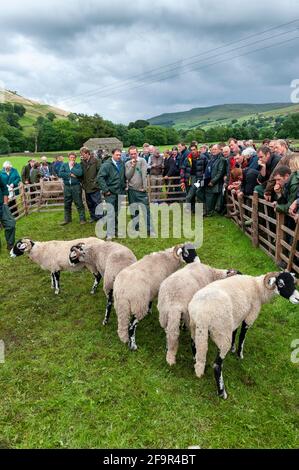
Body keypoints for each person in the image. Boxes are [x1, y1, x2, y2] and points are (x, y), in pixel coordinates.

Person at [125, 145, 155, 236]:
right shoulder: (127, 163)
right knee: (134, 210)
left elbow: (144, 175)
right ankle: (136, 228)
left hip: (141, 191)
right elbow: (127, 176)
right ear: (129, 154)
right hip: (131, 190)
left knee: (145, 210)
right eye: (131, 154)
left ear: (137, 153)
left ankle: (150, 230)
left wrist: (144, 188)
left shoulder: (142, 161)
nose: (133, 155)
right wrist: (132, 166)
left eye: (134, 153)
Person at [97, 148, 126, 240]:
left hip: (120, 192)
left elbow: (123, 176)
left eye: (120, 155)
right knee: (110, 213)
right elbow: (100, 178)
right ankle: (110, 233)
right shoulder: (106, 165)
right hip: (110, 193)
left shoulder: (121, 163)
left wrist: (124, 186)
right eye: (117, 155)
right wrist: (106, 190)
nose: (118, 156)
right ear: (112, 154)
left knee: (118, 212)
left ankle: (116, 230)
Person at [59, 152, 86, 226]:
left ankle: (82, 219)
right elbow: (60, 174)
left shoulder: (78, 165)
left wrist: (72, 168)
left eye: (74, 157)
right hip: (67, 186)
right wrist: (70, 174)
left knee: (79, 203)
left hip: (76, 186)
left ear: (75, 158)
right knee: (67, 203)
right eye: (71, 157)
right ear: (68, 158)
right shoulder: (64, 165)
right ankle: (67, 219)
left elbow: (80, 173)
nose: (72, 159)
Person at [80, 147, 102, 223]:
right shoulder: (82, 162)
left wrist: (95, 181)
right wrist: (82, 182)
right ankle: (93, 217)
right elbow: (81, 174)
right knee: (90, 203)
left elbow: (100, 172)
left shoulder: (96, 161)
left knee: (97, 202)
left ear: (87, 153)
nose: (82, 156)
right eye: (81, 155)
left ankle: (100, 217)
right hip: (86, 186)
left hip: (95, 186)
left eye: (83, 155)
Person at [204, 144, 226, 216]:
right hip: (207, 180)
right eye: (212, 149)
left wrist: (213, 181)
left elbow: (220, 172)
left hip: (215, 182)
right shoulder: (212, 158)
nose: (213, 151)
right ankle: (208, 210)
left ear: (220, 150)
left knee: (211, 197)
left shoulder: (221, 159)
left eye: (215, 149)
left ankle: (210, 212)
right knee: (201, 192)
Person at [185, 144, 208, 211]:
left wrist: (204, 178)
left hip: (199, 179)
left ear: (197, 149)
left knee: (193, 194)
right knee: (192, 194)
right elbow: (184, 168)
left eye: (194, 149)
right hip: (190, 178)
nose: (193, 151)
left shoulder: (203, 157)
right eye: (191, 150)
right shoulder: (188, 158)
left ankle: (202, 209)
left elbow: (207, 168)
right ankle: (193, 209)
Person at [0, 171, 16, 250]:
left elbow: (4, 187)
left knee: (11, 224)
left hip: (2, 206)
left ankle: (10, 245)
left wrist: (5, 203)